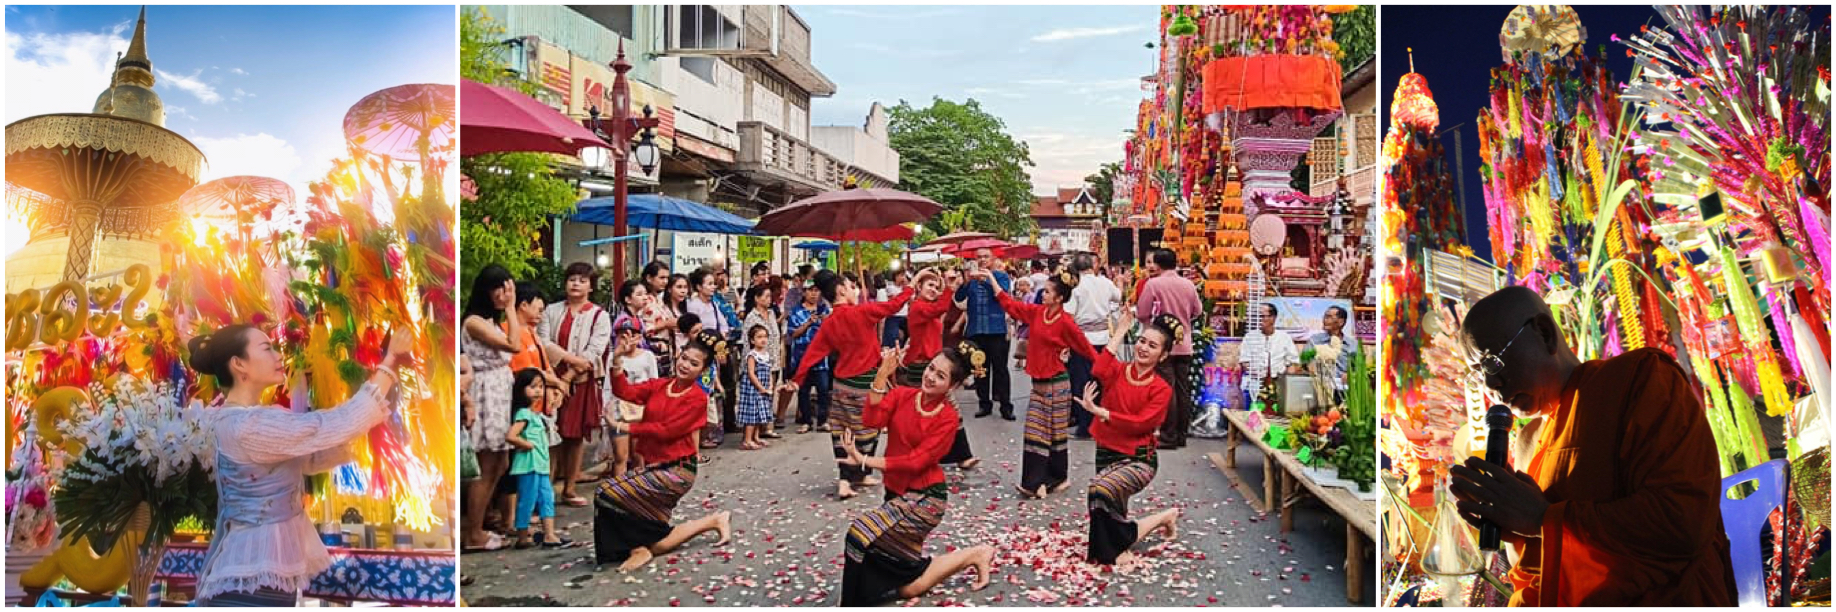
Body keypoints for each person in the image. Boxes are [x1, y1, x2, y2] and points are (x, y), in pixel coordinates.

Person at [1449, 286, 1735, 606]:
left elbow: (1681, 523)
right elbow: (1539, 565)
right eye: (1477, 373)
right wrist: (1509, 523)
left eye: (1492, 362)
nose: (1490, 385)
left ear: (1544, 334)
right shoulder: (1528, 440)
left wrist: (1543, 518)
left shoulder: (1639, 379)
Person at [188, 323, 411, 605]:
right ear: (239, 364)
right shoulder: (247, 425)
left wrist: (365, 423)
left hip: (261, 573)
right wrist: (388, 364)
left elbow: (310, 456)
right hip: (251, 577)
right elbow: (327, 425)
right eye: (267, 348)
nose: (279, 355)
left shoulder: (244, 420)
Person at [836, 344, 995, 606]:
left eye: (941, 376)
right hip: (896, 495)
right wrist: (881, 374)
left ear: (953, 387)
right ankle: (976, 554)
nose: (930, 377)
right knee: (908, 587)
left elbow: (915, 462)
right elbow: (871, 418)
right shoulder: (903, 395)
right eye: (931, 368)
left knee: (859, 533)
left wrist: (864, 459)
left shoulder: (947, 418)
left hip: (924, 500)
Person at [786, 269, 939, 499]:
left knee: (842, 431)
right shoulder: (861, 312)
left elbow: (812, 354)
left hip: (841, 385)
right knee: (868, 430)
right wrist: (913, 283)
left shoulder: (830, 321)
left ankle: (854, 477)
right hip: (864, 384)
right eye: (850, 286)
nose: (854, 290)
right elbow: (894, 305)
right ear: (841, 291)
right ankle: (851, 477)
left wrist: (797, 381)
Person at [597, 332, 733, 572]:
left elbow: (666, 430)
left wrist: (624, 426)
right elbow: (625, 392)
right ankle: (712, 521)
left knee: (606, 492)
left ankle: (636, 548)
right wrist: (617, 359)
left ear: (702, 370)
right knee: (655, 541)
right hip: (654, 465)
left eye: (694, 363)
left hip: (677, 470)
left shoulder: (697, 398)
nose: (685, 365)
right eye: (684, 358)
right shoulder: (661, 385)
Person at [1071, 314, 1183, 565]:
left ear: (1163, 356)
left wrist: (1102, 412)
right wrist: (1121, 331)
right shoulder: (1119, 371)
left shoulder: (1161, 388)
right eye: (1141, 341)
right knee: (1109, 505)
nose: (1143, 348)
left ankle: (1112, 549)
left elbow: (1141, 423)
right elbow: (1098, 369)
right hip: (1107, 449)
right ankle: (1123, 545)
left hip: (1139, 459)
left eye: (1152, 346)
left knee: (1100, 490)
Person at [976, 268, 1096, 498]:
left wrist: (1111, 372)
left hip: (1058, 385)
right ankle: (1037, 482)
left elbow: (1087, 350)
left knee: (1055, 434)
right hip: (1038, 385)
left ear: (1059, 298)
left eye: (1048, 292)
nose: (1043, 294)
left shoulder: (1066, 322)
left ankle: (1052, 480)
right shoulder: (1037, 313)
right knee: (1035, 433)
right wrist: (991, 279)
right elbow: (1010, 305)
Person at [539, 262, 613, 508]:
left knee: (574, 435)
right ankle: (546, 491)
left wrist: (569, 375)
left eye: (582, 280)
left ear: (590, 286)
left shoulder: (599, 316)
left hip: (580, 380)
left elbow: (594, 351)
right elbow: (542, 341)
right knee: (550, 435)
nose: (576, 284)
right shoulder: (551, 310)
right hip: (548, 378)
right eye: (572, 279)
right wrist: (567, 365)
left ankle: (569, 488)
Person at [462, 265, 520, 553]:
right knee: (487, 464)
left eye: (508, 288)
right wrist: (511, 308)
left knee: (499, 462)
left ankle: (481, 523)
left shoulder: (489, 320)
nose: (504, 295)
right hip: (485, 393)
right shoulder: (474, 321)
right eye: (499, 288)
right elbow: (514, 345)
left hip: (499, 391)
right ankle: (473, 533)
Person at [900, 267, 978, 470]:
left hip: (933, 364)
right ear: (919, 286)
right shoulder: (918, 307)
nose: (934, 289)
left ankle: (962, 455)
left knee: (947, 410)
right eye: (930, 285)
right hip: (921, 368)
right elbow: (940, 309)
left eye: (936, 286)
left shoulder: (926, 307)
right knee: (922, 413)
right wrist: (948, 287)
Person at [1134, 249, 1202, 449]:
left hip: (1162, 344)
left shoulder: (1154, 284)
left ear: (1158, 264)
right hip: (1185, 343)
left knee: (1166, 389)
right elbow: (1197, 311)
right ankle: (1182, 434)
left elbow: (1142, 312)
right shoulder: (1188, 284)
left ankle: (1168, 435)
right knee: (1183, 389)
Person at [506, 368, 573, 549]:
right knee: (527, 499)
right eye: (533, 387)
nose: (538, 391)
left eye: (541, 387)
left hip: (540, 463)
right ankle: (522, 535)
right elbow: (511, 436)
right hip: (529, 464)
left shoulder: (535, 415)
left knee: (547, 497)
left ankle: (549, 534)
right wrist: (526, 444)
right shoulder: (523, 415)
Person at [1066, 253, 1122, 440]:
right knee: (1100, 380)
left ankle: (1085, 426)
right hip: (1103, 338)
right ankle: (1099, 422)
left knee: (1082, 382)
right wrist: (1121, 281)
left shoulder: (1077, 289)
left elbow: (1069, 317)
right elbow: (1118, 296)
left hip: (1082, 340)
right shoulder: (1105, 283)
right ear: (1093, 266)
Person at [957, 249, 1015, 420]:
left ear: (993, 259)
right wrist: (966, 281)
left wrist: (988, 278)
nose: (982, 260)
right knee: (979, 369)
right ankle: (984, 404)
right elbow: (960, 297)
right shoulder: (972, 280)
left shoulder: (1001, 276)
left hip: (996, 330)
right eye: (979, 257)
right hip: (976, 331)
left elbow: (1002, 295)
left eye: (986, 257)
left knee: (1001, 370)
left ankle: (1006, 406)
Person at [606, 317, 656, 477]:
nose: (627, 339)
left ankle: (639, 490)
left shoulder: (647, 356)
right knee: (620, 456)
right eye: (622, 335)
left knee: (638, 454)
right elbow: (609, 386)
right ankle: (618, 490)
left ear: (640, 337)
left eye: (632, 334)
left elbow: (654, 383)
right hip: (618, 410)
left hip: (640, 411)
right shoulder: (613, 357)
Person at [787, 281, 833, 434]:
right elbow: (793, 333)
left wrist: (826, 321)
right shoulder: (796, 311)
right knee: (803, 391)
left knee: (823, 390)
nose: (814, 294)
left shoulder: (824, 310)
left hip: (821, 357)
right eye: (810, 290)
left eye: (816, 290)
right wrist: (808, 323)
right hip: (802, 356)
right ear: (804, 292)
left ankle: (822, 420)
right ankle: (806, 421)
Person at [740, 285, 784, 440]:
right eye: (765, 296)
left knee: (769, 395)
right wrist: (749, 365)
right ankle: (751, 435)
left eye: (769, 296)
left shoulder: (771, 314)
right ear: (756, 298)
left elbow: (776, 337)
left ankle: (766, 428)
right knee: (756, 398)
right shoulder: (752, 317)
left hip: (772, 359)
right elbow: (747, 344)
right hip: (757, 363)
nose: (768, 299)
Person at [1239, 302, 1300, 409]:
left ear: (1273, 318)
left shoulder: (1284, 338)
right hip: (1255, 383)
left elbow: (1293, 363)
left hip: (1278, 384)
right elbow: (1244, 362)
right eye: (1257, 316)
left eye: (1263, 316)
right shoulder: (1250, 337)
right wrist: (1259, 375)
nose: (1259, 319)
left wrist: (1283, 380)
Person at [1306, 305, 1358, 402]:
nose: (1324, 320)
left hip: (1343, 390)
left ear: (1341, 322)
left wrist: (1350, 374)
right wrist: (1310, 364)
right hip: (1319, 388)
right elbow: (1305, 360)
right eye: (1325, 316)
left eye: (1329, 317)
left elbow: (1358, 368)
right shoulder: (1315, 340)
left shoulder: (1353, 345)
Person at [737, 325, 775, 450]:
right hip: (752, 389)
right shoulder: (752, 355)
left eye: (765, 337)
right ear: (752, 340)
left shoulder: (766, 355)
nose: (763, 340)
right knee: (751, 415)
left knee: (759, 414)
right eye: (759, 337)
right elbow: (751, 373)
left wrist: (770, 385)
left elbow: (769, 371)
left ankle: (756, 437)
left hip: (763, 388)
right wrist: (760, 387)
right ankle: (747, 439)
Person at [879, 270, 910, 348]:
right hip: (894, 317)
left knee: (905, 341)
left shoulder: (905, 288)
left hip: (905, 317)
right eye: (901, 275)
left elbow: (910, 300)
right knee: (893, 342)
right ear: (895, 277)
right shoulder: (890, 288)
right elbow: (895, 300)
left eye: (904, 275)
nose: (903, 278)